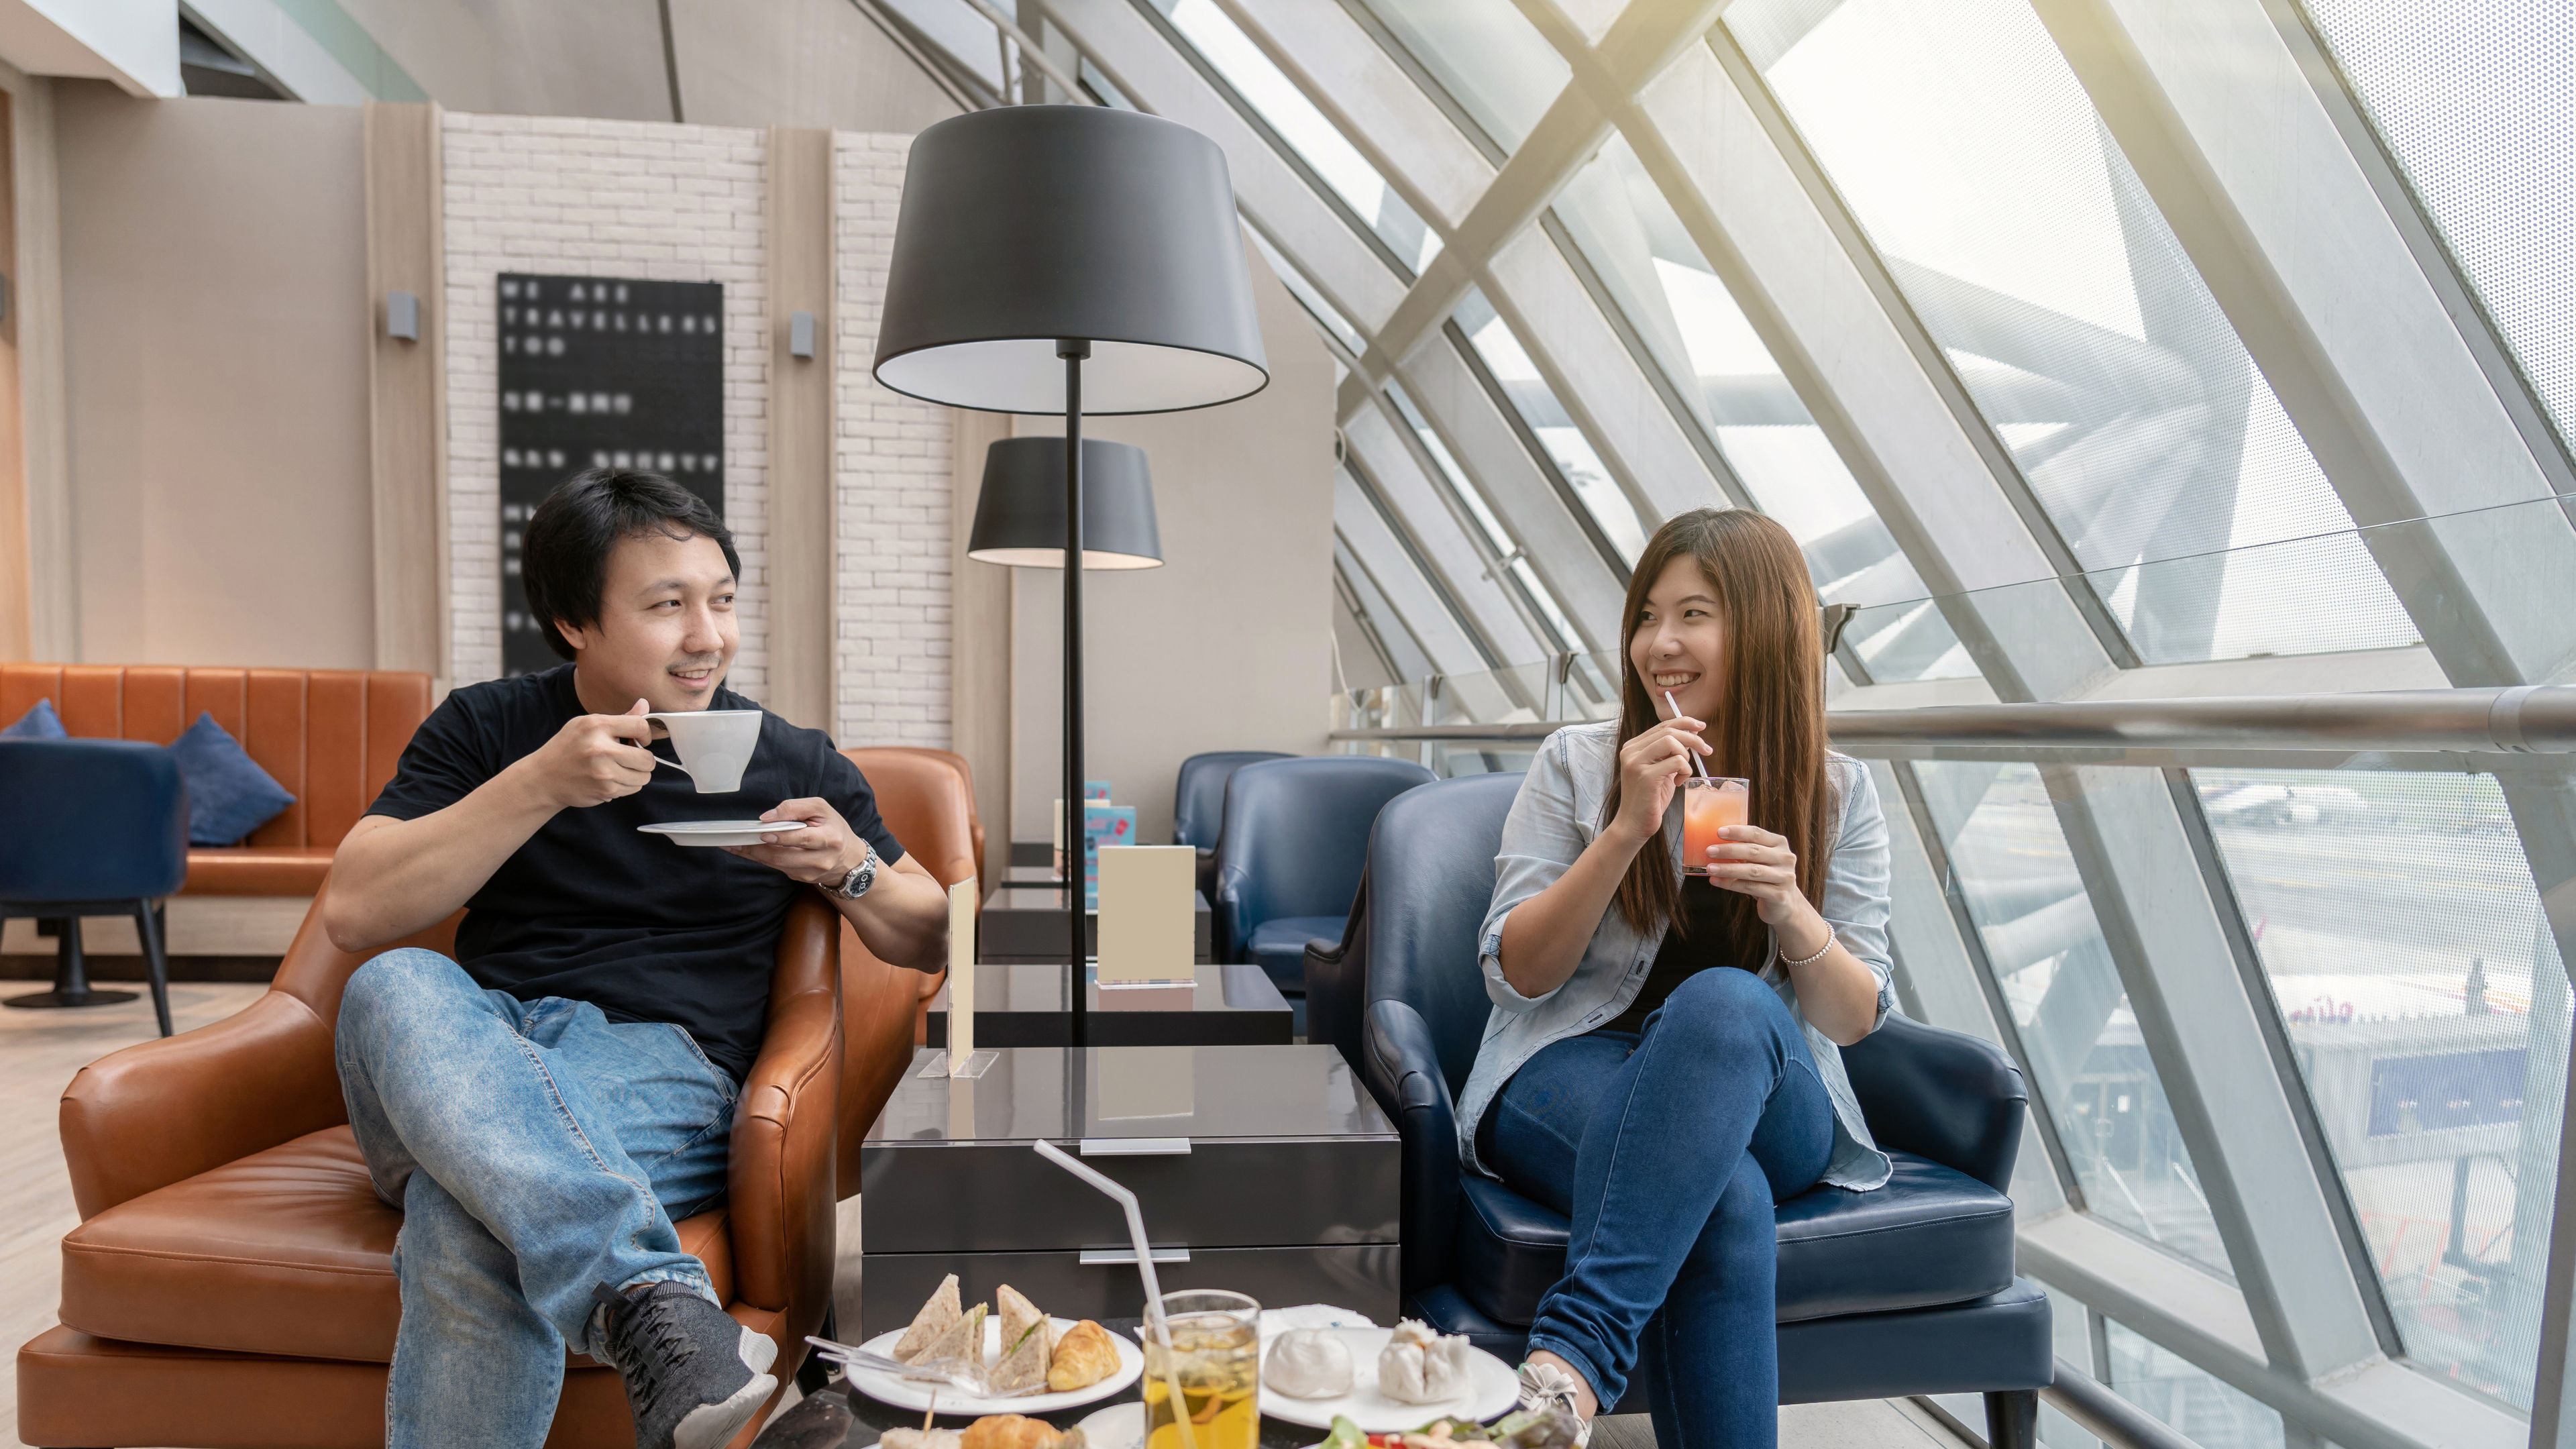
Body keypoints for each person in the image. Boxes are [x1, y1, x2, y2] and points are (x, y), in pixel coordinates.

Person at [325, 469, 951, 1449]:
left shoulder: (786, 759)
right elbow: (356, 910)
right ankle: (656, 1299)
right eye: (668, 606)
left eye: (723, 600)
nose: (708, 636)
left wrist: (854, 867)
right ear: (578, 622)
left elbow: (929, 930)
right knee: (392, 980)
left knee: (466, 1222)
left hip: (662, 1069)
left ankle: (646, 1310)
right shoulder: (490, 730)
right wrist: (538, 784)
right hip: (463, 1055)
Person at [1461, 508, 1895, 1449]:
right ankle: (1568, 1378)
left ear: (1766, 628)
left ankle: (1570, 1361)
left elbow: (1854, 1018)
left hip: (1766, 1093)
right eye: (1647, 616)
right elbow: (1519, 977)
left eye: (1694, 615)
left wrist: (1791, 910)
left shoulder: (1840, 793)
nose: (1660, 644)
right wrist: (1623, 829)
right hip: (1570, 1067)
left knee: (1728, 1000)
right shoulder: (1577, 763)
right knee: (1721, 1195)